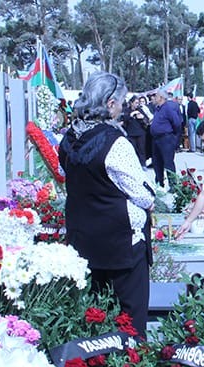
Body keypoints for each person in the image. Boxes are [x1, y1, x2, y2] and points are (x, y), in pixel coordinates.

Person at [59, 72, 155, 339]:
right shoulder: (116, 142)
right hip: (121, 244)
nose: (123, 107)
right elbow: (144, 195)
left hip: (84, 240)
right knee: (130, 318)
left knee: (96, 316)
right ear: (110, 103)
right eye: (121, 101)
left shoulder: (69, 138)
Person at [150, 89, 183, 189]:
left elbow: (177, 123)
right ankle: (159, 183)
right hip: (156, 139)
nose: (154, 98)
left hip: (166, 139)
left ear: (161, 98)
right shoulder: (158, 108)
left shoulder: (168, 108)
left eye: (156, 96)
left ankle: (173, 186)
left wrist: (175, 138)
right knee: (156, 162)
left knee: (168, 163)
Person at [123, 95, 149, 167]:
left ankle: (143, 164)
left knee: (142, 150)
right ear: (131, 103)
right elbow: (124, 119)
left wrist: (142, 117)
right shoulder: (126, 110)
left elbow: (147, 119)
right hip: (131, 133)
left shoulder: (140, 110)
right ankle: (134, 165)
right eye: (136, 103)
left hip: (140, 133)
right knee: (133, 150)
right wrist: (131, 115)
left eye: (138, 103)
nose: (137, 104)